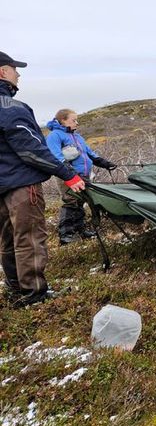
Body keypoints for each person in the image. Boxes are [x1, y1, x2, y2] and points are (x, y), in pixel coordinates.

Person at [0, 51, 86, 307]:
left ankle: (16, 289)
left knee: (7, 240)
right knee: (28, 239)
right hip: (21, 187)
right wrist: (68, 175)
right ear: (3, 72)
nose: (19, 74)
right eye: (15, 69)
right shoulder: (11, 108)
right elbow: (32, 150)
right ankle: (33, 293)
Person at [46, 109, 116, 245]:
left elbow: (89, 153)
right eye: (74, 120)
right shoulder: (55, 136)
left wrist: (104, 163)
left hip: (84, 175)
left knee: (81, 202)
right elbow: (56, 156)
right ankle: (66, 234)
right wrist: (69, 172)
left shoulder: (77, 137)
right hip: (68, 175)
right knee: (71, 201)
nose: (77, 122)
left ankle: (80, 230)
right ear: (63, 120)